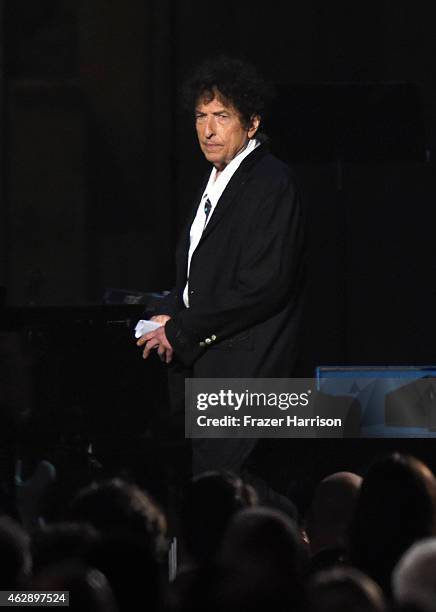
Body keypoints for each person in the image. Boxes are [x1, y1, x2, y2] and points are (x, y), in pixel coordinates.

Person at [137, 56, 305, 474]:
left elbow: (262, 285)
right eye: (201, 116)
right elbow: (199, 273)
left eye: (222, 116)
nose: (208, 130)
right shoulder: (217, 178)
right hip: (212, 373)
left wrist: (180, 328)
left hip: (243, 377)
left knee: (231, 504)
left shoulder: (270, 182)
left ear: (251, 124)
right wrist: (172, 309)